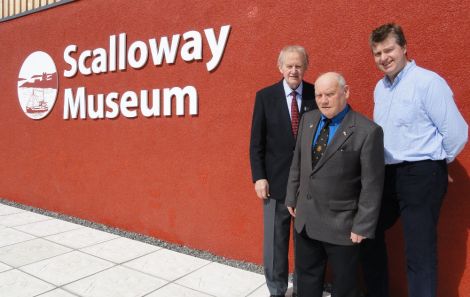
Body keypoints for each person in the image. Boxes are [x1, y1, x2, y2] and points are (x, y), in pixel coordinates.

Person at [361, 23, 468, 297]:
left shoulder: (427, 82)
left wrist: (437, 164)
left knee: (418, 252)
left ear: (404, 47)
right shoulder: (379, 89)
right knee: (365, 230)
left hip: (421, 175)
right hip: (388, 175)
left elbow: (456, 132)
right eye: (377, 53)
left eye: (389, 50)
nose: (383, 58)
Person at [285, 72, 385, 297]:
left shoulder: (367, 131)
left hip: (342, 226)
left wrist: (363, 225)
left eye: (329, 94)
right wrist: (292, 196)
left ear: (346, 92)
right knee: (307, 280)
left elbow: (372, 184)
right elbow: (298, 163)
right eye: (319, 95)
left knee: (345, 287)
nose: (323, 100)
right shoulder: (308, 120)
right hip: (306, 221)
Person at [250, 45, 317, 297]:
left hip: (307, 187)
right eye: (289, 65)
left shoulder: (315, 94)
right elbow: (256, 142)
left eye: (298, 65)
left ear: (305, 67)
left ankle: (302, 290)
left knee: (305, 244)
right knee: (275, 244)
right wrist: (259, 177)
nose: (293, 70)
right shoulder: (265, 97)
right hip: (275, 184)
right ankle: (276, 290)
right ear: (280, 68)